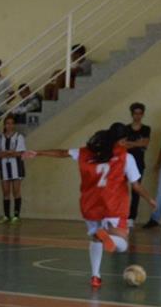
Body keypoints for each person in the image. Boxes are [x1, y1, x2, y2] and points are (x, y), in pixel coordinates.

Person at [29, 124, 144, 289]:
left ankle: (95, 276)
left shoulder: (87, 152)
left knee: (96, 238)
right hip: (112, 205)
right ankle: (108, 237)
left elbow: (62, 153)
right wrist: (150, 199)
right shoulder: (125, 157)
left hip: (90, 206)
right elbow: (136, 186)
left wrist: (38, 152)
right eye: (125, 140)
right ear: (120, 140)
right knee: (122, 245)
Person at [120, 102, 153, 220]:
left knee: (136, 190)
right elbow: (122, 145)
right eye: (135, 113)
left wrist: (131, 144)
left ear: (143, 114)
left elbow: (145, 143)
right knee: (121, 189)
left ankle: (131, 218)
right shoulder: (126, 129)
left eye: (140, 113)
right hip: (124, 162)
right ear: (132, 114)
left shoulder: (146, 129)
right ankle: (120, 215)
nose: (137, 116)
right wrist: (137, 144)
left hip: (138, 162)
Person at [0, 113, 28, 223]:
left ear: (14, 125)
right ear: (4, 125)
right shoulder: (0, 137)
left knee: (16, 191)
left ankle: (16, 215)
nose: (9, 126)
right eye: (7, 123)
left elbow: (20, 153)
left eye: (11, 123)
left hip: (16, 167)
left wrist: (6, 153)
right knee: (5, 192)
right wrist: (9, 153)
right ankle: (6, 215)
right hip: (4, 167)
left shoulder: (19, 137)